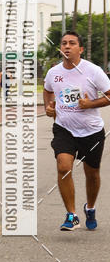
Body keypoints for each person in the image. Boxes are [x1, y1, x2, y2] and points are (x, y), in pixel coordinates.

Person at [43, 30, 110, 230]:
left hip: (91, 131)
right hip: (64, 129)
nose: (67, 46)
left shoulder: (93, 71)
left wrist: (90, 104)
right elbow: (47, 90)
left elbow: (109, 95)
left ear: (80, 49)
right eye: (64, 43)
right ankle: (71, 215)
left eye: (72, 43)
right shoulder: (53, 73)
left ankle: (90, 207)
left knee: (92, 173)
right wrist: (49, 107)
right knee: (63, 167)